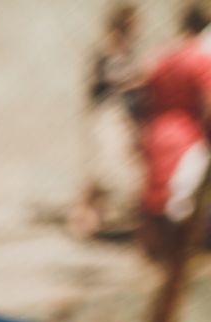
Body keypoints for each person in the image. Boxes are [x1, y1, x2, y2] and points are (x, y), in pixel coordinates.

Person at [135, 6, 211, 261]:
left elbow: (142, 96)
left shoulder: (161, 56)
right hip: (187, 136)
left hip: (156, 132)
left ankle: (158, 263)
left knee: (156, 203)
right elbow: (208, 105)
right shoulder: (201, 60)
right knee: (182, 209)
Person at [72, 6, 142, 239]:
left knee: (112, 169)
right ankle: (83, 219)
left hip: (123, 116)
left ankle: (93, 218)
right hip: (108, 114)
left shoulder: (128, 52)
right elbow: (96, 87)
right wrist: (123, 83)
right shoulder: (106, 52)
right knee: (102, 168)